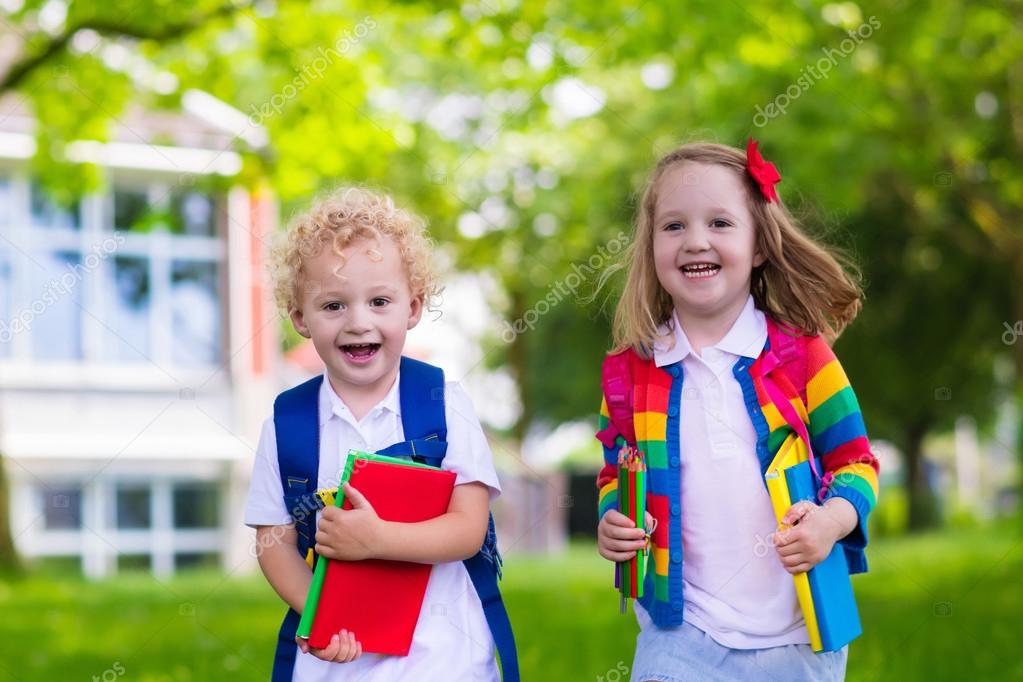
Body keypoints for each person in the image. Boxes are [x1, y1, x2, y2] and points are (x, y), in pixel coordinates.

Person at [594, 140, 880, 681]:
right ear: (650, 247)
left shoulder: (804, 356)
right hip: (680, 632)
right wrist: (614, 516)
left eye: (720, 223)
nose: (695, 240)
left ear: (758, 246)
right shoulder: (629, 372)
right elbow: (616, 471)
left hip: (800, 633)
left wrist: (831, 521)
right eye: (673, 226)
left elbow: (857, 464)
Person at [244, 187, 508, 681]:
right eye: (334, 306)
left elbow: (469, 530)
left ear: (412, 308)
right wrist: (319, 615)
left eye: (380, 301)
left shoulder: (444, 405)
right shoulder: (287, 424)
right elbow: (272, 540)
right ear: (300, 318)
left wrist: (376, 538)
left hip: (445, 662)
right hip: (336, 666)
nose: (359, 322)